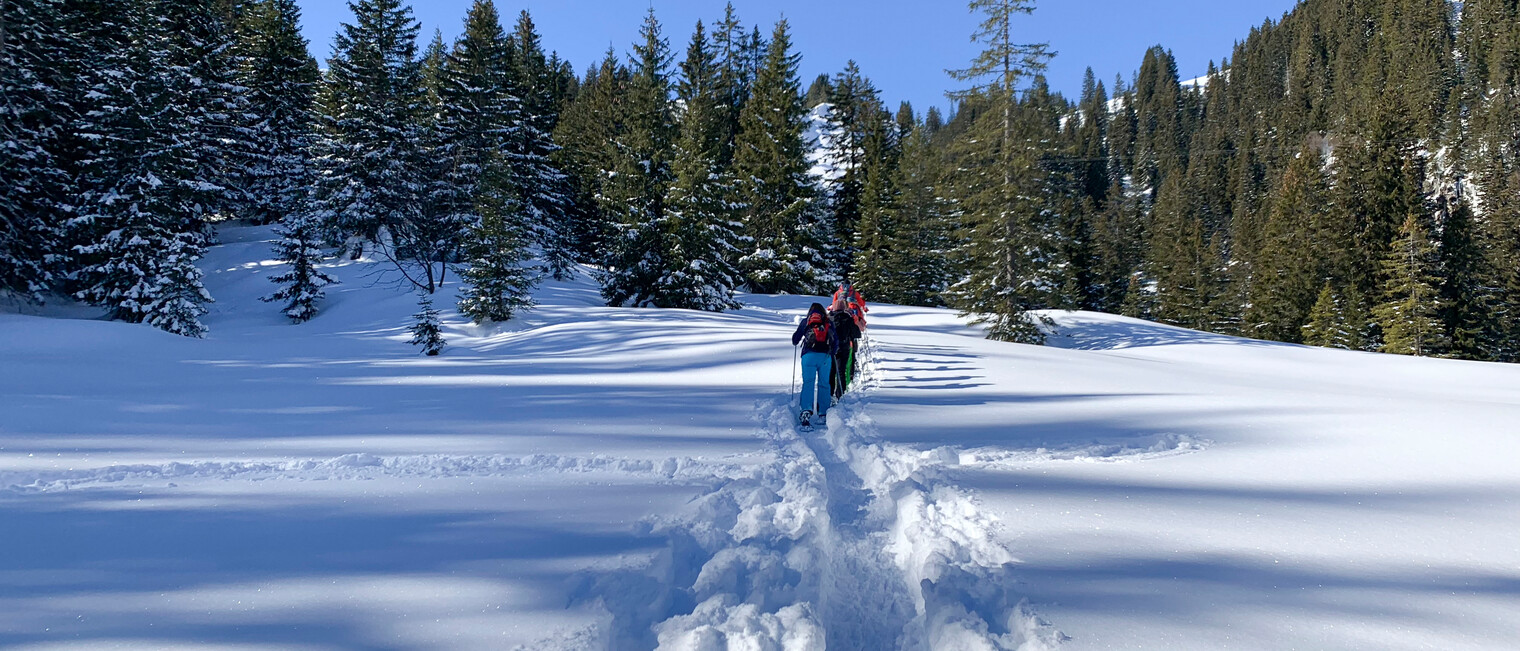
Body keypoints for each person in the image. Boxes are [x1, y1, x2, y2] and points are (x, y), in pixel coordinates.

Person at [791, 302, 839, 425]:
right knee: (824, 384)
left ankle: (806, 411)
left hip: (808, 356)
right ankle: (823, 413)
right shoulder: (828, 322)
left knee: (808, 383)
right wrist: (831, 353)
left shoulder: (806, 321)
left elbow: (795, 340)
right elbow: (835, 342)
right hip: (825, 357)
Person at [828, 297, 862, 399]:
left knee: (831, 371)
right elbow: (857, 334)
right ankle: (840, 395)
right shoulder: (848, 319)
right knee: (841, 371)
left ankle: (829, 395)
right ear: (843, 308)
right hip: (844, 347)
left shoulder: (828, 319)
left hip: (830, 348)